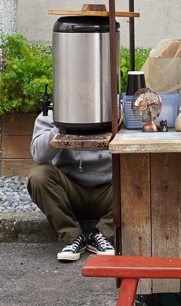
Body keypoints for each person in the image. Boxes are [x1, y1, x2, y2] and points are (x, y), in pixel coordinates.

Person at [27, 110, 117, 262]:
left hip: (110, 192)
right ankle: (71, 238)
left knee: (142, 178)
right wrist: (63, 124)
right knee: (38, 175)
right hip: (71, 193)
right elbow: (39, 155)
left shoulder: (117, 108)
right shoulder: (52, 112)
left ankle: (105, 234)